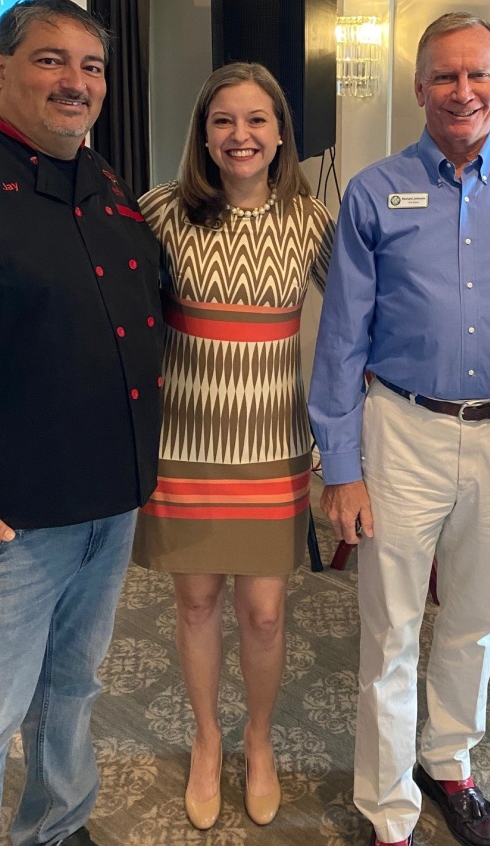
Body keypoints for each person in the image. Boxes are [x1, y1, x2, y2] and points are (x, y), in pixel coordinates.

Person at [308, 11, 490, 846]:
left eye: (477, 75)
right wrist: (341, 466)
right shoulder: (373, 192)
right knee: (391, 626)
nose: (461, 91)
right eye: (444, 75)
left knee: (473, 615)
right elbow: (341, 339)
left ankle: (450, 761)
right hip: (401, 428)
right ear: (420, 86)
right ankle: (388, 809)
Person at [0, 0, 162, 846]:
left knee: (71, 692)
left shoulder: (103, 181)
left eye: (91, 66)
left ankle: (56, 829)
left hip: (105, 511)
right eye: (50, 59)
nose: (75, 81)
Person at [132, 62, 334, 831]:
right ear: (204, 133)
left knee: (265, 613)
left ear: (280, 133)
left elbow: (360, 319)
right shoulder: (160, 211)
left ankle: (259, 740)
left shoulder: (311, 220)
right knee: (195, 602)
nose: (240, 135)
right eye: (224, 120)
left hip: (272, 445)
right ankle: (208, 739)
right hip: (184, 441)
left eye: (256, 120)